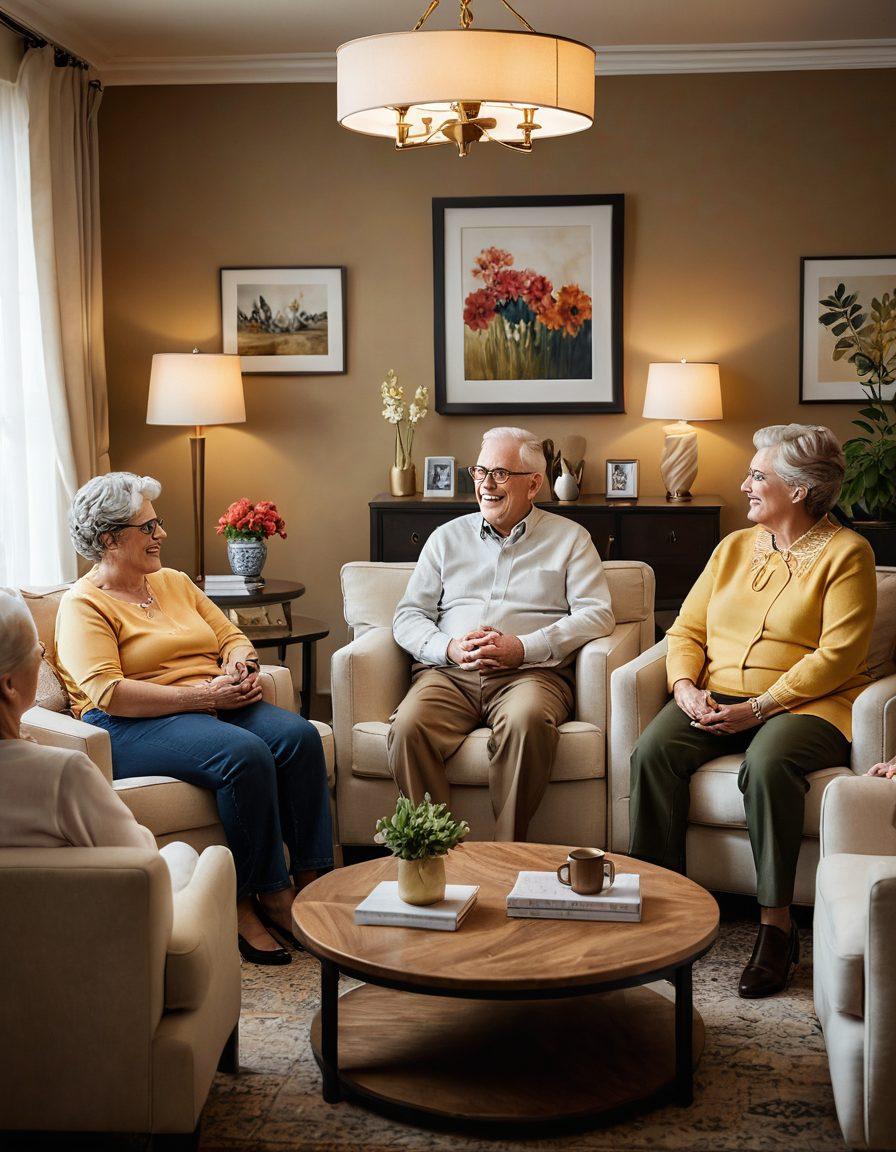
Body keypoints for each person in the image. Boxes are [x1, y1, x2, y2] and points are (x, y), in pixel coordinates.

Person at [628, 424, 877, 999]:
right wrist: (685, 686)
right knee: (653, 751)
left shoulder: (848, 553)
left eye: (758, 476)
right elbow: (686, 628)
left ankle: (777, 929)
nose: (744, 485)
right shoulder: (733, 547)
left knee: (765, 765)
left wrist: (761, 708)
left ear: (798, 489)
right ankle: (663, 909)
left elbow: (838, 656)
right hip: (714, 694)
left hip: (808, 706)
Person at [55, 472, 333, 966]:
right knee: (242, 755)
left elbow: (233, 636)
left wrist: (238, 666)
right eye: (149, 526)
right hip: (131, 722)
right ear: (110, 540)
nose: (162, 534)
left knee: (298, 737)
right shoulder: (83, 604)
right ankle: (258, 898)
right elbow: (109, 692)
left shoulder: (174, 582)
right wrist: (205, 696)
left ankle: (310, 883)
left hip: (210, 698)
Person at [389, 426, 615, 840]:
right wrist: (449, 647)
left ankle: (506, 852)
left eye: (499, 473)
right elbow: (407, 616)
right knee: (408, 726)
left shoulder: (571, 539)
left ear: (533, 484)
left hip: (531, 675)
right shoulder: (446, 539)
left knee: (527, 720)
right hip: (449, 676)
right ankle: (436, 850)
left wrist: (523, 648)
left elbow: (598, 615)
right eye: (479, 472)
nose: (486, 485)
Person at [0, 589, 199, 890]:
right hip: (89, 926)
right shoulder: (63, 775)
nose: (43, 649)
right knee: (185, 854)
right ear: (10, 685)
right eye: (35, 651)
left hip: (20, 927)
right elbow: (143, 864)